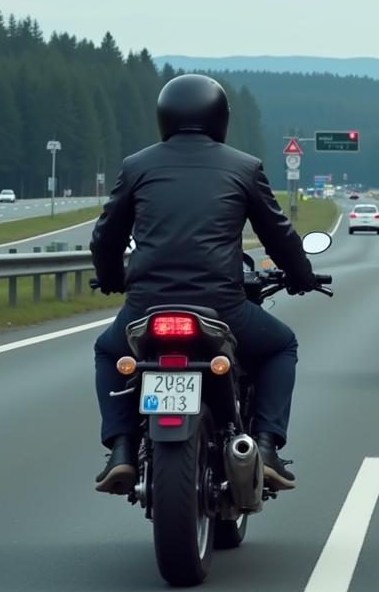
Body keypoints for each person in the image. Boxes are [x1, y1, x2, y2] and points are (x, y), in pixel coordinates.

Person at [90, 74, 318, 496]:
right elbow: (278, 234)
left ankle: (121, 450)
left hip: (145, 308)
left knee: (109, 349)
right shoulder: (244, 167)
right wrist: (301, 277)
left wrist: (109, 279)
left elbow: (106, 235)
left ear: (164, 117)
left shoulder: (136, 166)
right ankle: (265, 448)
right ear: (219, 118)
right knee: (280, 345)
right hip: (222, 308)